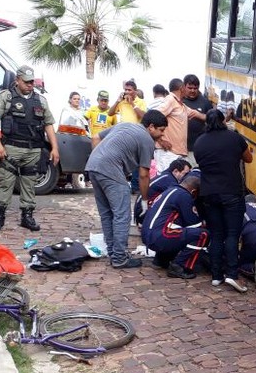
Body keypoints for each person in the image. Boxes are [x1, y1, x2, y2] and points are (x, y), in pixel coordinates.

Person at [85, 110, 167, 269]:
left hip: (93, 166)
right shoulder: (147, 141)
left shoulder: (125, 125)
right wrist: (144, 200)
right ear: (151, 127)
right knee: (122, 215)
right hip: (111, 169)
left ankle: (113, 252)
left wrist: (99, 158)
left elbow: (95, 137)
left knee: (107, 213)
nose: (162, 134)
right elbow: (144, 175)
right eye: (161, 130)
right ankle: (120, 257)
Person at [0, 65, 59, 233]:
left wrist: (55, 148)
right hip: (11, 148)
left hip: (33, 150)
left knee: (29, 184)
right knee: (6, 182)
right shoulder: (6, 97)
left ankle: (27, 216)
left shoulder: (40, 100)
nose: (30, 85)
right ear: (17, 80)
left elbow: (49, 124)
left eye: (32, 82)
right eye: (26, 82)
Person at [194, 108, 253, 292]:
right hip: (232, 192)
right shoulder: (233, 138)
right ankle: (232, 274)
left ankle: (216, 276)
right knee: (232, 235)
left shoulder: (199, 142)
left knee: (217, 234)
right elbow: (248, 159)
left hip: (209, 193)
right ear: (223, 121)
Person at [141, 170, 208, 279]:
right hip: (159, 236)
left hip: (148, 235)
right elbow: (194, 224)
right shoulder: (184, 196)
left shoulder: (171, 190)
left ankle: (162, 259)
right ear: (194, 191)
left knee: (178, 229)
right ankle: (179, 265)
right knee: (202, 234)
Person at [134, 157, 191, 227]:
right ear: (176, 171)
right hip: (143, 213)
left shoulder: (166, 176)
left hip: (141, 211)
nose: (187, 177)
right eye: (185, 174)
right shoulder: (169, 180)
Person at [182, 74, 212, 155]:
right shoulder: (178, 100)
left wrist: (200, 115)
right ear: (184, 87)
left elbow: (215, 120)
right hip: (180, 148)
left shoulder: (205, 102)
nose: (192, 91)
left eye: (195, 88)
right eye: (190, 88)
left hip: (199, 148)